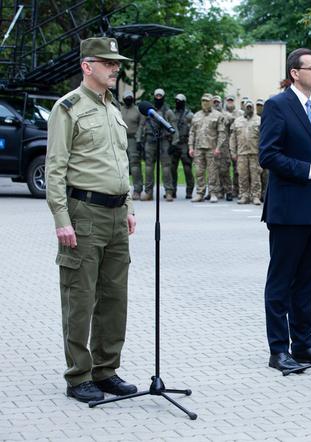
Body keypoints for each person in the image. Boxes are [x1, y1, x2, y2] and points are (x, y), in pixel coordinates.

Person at [45, 37, 137, 403]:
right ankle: (78, 375)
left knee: (115, 297)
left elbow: (122, 164)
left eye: (116, 63)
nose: (115, 68)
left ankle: (106, 370)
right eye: (107, 62)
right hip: (83, 214)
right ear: (87, 66)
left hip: (116, 214)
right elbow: (55, 168)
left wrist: (129, 207)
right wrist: (60, 218)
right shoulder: (67, 108)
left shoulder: (113, 109)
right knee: (80, 297)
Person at [259, 48, 311, 372]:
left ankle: (304, 343)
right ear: (295, 72)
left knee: (307, 282)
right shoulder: (278, 105)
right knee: (282, 282)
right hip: (289, 210)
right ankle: (278, 350)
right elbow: (269, 155)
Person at [137, 88, 178, 201]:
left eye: (160, 96)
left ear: (163, 97)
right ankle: (148, 192)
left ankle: (169, 192)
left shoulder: (168, 112)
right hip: (149, 140)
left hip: (164, 141)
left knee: (166, 167)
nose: (158, 98)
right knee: (149, 167)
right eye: (157, 96)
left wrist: (174, 143)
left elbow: (174, 127)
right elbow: (141, 126)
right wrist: (138, 141)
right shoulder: (147, 112)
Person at [189, 93, 224, 202]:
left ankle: (213, 192)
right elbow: (192, 132)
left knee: (212, 172)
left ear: (211, 102)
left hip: (211, 148)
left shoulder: (218, 115)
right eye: (203, 101)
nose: (205, 103)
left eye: (207, 101)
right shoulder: (196, 115)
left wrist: (218, 147)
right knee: (199, 171)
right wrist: (191, 147)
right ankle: (200, 193)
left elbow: (221, 133)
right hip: (198, 147)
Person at [230, 100, 262, 205]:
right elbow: (233, 138)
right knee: (242, 175)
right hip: (242, 153)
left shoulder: (259, 120)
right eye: (247, 107)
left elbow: (264, 138)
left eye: (250, 107)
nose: (249, 109)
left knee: (255, 176)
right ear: (244, 108)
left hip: (255, 153)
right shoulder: (237, 121)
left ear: (253, 108)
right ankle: (244, 195)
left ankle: (256, 196)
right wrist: (233, 152)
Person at [171, 93, 195, 199]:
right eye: (176, 101)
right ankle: (172, 190)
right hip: (174, 143)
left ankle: (189, 191)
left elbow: (193, 131)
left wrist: (191, 145)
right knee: (172, 168)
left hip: (185, 143)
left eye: (180, 101)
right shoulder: (172, 113)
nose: (177, 103)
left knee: (187, 168)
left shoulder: (190, 115)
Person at [120, 90, 143, 200]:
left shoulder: (137, 110)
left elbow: (141, 125)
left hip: (133, 139)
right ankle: (122, 190)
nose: (128, 99)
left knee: (134, 165)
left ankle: (137, 190)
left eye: (130, 97)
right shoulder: (120, 110)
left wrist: (139, 140)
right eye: (126, 97)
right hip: (121, 139)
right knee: (120, 165)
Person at [225, 96, 242, 198]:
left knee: (237, 169)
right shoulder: (222, 113)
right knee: (225, 168)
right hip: (224, 144)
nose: (230, 102)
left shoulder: (240, 113)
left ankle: (237, 189)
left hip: (237, 143)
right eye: (228, 101)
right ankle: (228, 190)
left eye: (231, 101)